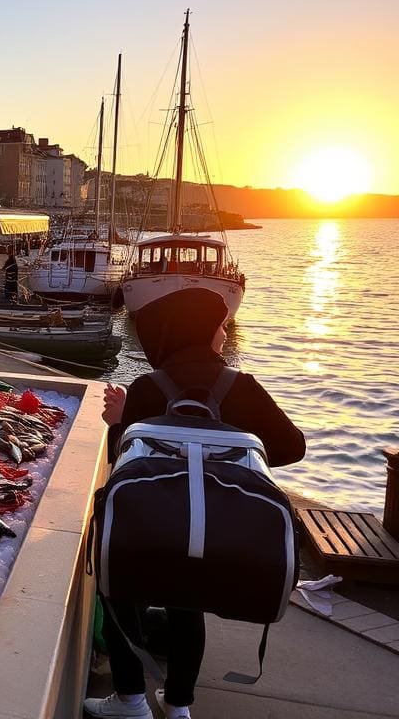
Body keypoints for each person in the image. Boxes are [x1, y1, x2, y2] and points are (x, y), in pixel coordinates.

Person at [86, 287, 306, 719]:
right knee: (187, 602)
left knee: (121, 594)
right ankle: (179, 705)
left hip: (151, 526)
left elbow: (125, 462)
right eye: (220, 326)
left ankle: (130, 700)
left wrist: (119, 422)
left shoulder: (148, 387)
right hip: (217, 528)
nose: (224, 334)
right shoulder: (240, 387)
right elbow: (292, 447)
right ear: (202, 331)